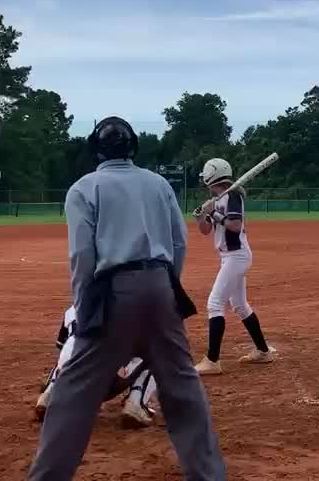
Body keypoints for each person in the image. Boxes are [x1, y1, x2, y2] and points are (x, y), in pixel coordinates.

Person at [26, 117, 225, 481]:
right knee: (183, 389)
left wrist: (84, 305)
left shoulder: (84, 188)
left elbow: (82, 256)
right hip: (161, 285)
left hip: (111, 291)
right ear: (133, 146)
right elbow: (178, 243)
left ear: (95, 150)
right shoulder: (159, 184)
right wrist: (163, 287)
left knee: (73, 392)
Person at [193, 158, 278, 376]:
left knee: (214, 304)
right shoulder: (217, 199)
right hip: (228, 257)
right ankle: (263, 351)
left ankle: (212, 361)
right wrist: (201, 216)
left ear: (212, 176)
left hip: (237, 256)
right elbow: (205, 230)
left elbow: (235, 225)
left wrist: (213, 213)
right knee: (240, 305)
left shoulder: (233, 196)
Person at [35, 305, 159, 429]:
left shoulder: (75, 307)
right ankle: (136, 402)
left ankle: (50, 395)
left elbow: (62, 347)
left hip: (68, 384)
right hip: (104, 384)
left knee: (69, 355)